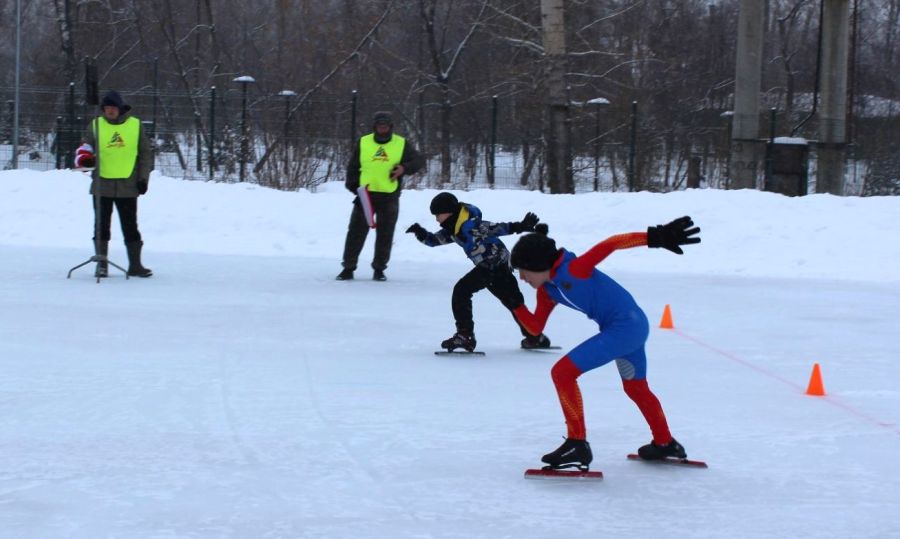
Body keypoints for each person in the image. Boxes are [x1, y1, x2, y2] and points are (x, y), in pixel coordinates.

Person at [509, 217, 701, 470]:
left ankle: (577, 444)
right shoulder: (547, 291)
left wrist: (655, 237)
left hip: (625, 328)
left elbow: (610, 244)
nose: (522, 277)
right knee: (636, 388)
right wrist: (513, 302)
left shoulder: (574, 269)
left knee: (562, 373)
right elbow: (535, 328)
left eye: (524, 270)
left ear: (538, 264)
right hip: (629, 328)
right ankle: (665, 442)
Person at [406, 192, 552, 352]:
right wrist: (419, 232)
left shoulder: (470, 225)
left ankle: (465, 335)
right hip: (497, 266)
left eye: (438, 214)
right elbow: (434, 240)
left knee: (462, 291)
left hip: (492, 265)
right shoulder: (453, 229)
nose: (436, 219)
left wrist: (521, 225)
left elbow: (497, 228)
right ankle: (534, 336)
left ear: (449, 212)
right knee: (513, 302)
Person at [337, 111, 425, 281]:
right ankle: (348, 268)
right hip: (365, 196)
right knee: (355, 233)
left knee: (385, 235)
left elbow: (419, 161)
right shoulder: (364, 142)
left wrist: (404, 168)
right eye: (379, 126)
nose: (382, 129)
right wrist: (354, 187)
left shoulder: (401, 143)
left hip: (389, 196)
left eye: (385, 126)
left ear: (390, 127)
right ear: (374, 127)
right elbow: (353, 167)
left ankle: (379, 269)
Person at [79, 90, 153, 278]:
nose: (110, 111)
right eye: (106, 108)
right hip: (101, 185)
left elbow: (145, 154)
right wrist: (85, 160)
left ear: (120, 108)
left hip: (128, 185)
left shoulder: (135, 125)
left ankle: (135, 265)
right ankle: (101, 264)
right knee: (101, 226)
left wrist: (143, 179)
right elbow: (85, 148)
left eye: (113, 108)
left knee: (130, 226)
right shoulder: (96, 125)